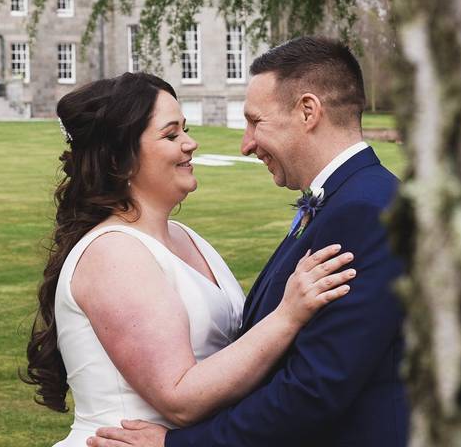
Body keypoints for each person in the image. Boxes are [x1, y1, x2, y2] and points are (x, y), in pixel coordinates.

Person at [89, 37, 408, 447]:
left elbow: (314, 387)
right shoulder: (349, 199)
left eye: (256, 121)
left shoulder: (363, 210)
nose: (246, 144)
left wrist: (176, 446)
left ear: (308, 111)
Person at [24, 72, 359, 447]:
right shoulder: (113, 253)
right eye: (171, 135)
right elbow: (179, 399)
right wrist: (289, 314)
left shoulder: (185, 237)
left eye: (186, 129)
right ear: (120, 160)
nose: (190, 143)